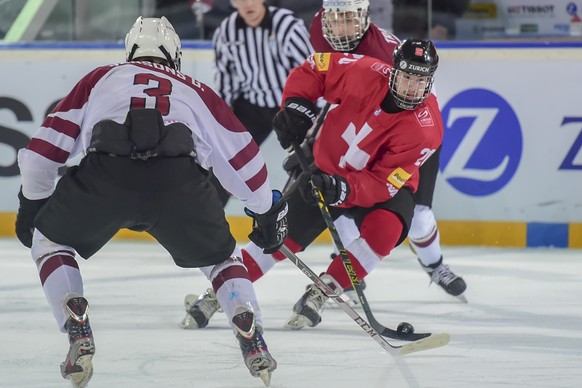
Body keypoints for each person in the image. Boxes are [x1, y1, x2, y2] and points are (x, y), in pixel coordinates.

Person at [15, 16, 287, 387]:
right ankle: (246, 320)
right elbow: (242, 158)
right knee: (222, 260)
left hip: (106, 176)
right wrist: (263, 208)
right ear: (175, 55)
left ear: (129, 52)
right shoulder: (197, 90)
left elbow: (41, 154)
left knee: (49, 242)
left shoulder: (102, 77)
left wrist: (32, 204)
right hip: (178, 184)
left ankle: (74, 317)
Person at [183, 38, 448, 332]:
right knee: (277, 239)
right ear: (394, 71)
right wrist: (297, 105)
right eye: (406, 76)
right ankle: (221, 294)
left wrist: (344, 188)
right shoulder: (365, 71)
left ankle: (324, 289)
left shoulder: (426, 130)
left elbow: (384, 183)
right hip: (324, 170)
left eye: (420, 80)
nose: (411, 86)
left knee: (386, 231)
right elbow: (314, 69)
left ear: (429, 82)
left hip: (379, 191)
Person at [307, 0, 466, 300]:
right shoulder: (319, 28)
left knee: (418, 214)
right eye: (335, 19)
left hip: (412, 133)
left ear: (365, 17)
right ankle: (349, 269)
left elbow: (400, 106)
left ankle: (435, 265)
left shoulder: (379, 55)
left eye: (349, 19)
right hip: (366, 130)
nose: (341, 27)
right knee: (335, 194)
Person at [209, 0, 313, 205]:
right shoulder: (227, 31)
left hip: (291, 105)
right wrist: (220, 123)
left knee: (312, 159)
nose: (247, 4)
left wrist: (313, 116)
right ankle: (207, 218)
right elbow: (225, 77)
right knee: (226, 163)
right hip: (252, 106)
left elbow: (311, 73)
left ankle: (308, 215)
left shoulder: (287, 25)